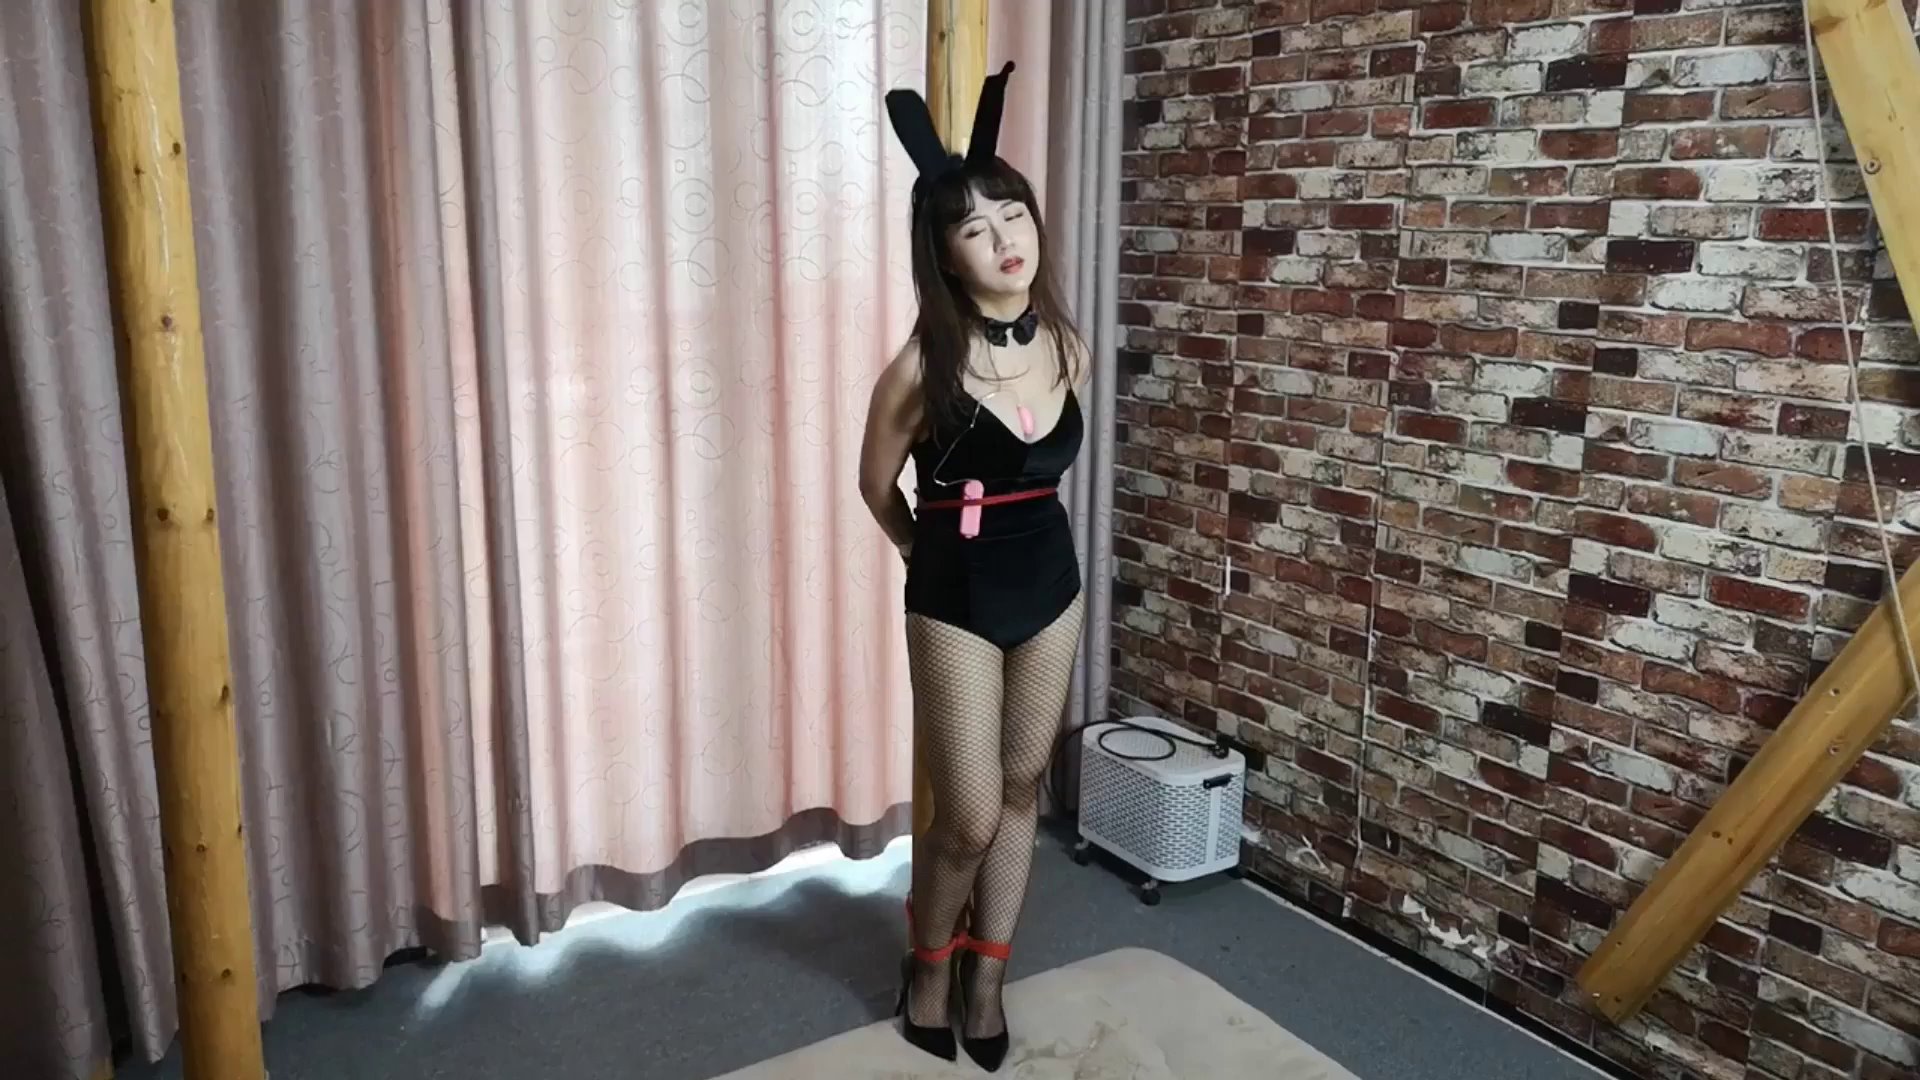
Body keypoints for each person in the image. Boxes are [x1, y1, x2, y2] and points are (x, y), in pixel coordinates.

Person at [858, 63, 1089, 1072]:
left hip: (1051, 584)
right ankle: (926, 965)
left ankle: (986, 979)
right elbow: (876, 487)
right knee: (970, 815)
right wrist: (926, 555)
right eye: (974, 228)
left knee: (1025, 782)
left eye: (1013, 214)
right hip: (955, 595)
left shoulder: (1067, 345)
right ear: (945, 257)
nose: (1004, 239)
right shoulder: (920, 368)